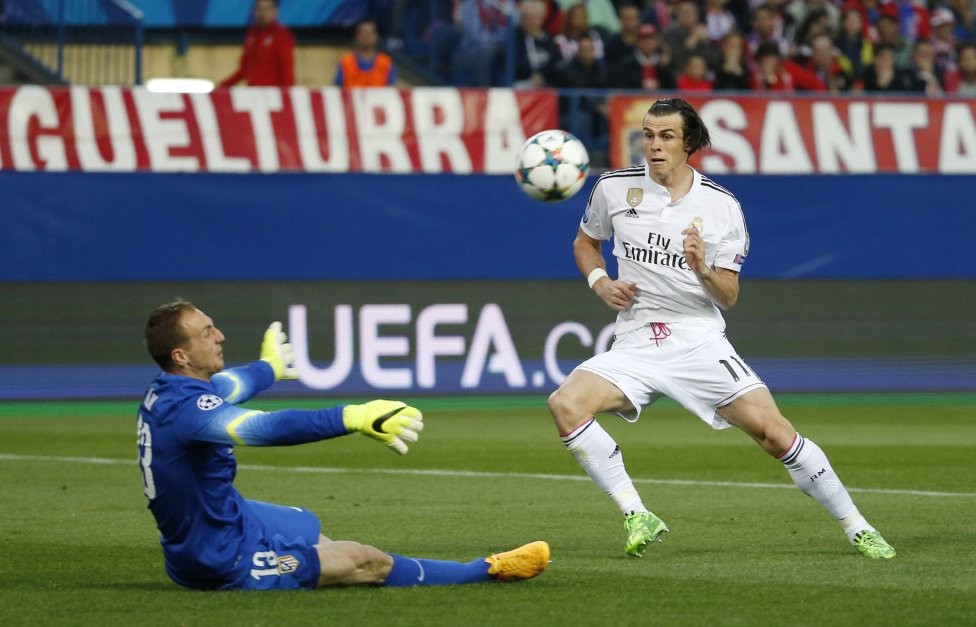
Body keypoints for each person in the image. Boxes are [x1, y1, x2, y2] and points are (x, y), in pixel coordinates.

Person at [546, 98, 896, 561]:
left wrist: (703, 268)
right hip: (636, 340)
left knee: (774, 432)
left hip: (697, 339)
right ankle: (636, 514)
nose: (654, 145)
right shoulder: (613, 188)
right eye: (648, 135)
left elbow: (728, 296)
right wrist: (601, 282)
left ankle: (857, 527)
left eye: (666, 136)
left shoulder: (721, 206)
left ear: (688, 143)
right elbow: (585, 242)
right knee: (565, 404)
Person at [138, 300, 549, 590]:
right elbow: (266, 428)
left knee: (308, 527)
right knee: (364, 560)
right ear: (181, 355)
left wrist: (270, 368)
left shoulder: (172, 392)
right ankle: (485, 570)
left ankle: (315, 561)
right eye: (206, 332)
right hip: (219, 558)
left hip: (221, 520)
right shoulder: (191, 411)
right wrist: (351, 416)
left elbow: (233, 383)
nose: (220, 336)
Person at [219, 0, 295, 88]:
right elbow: (244, 69)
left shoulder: (281, 34)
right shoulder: (252, 34)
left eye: (267, 9)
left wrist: (287, 92)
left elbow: (286, 67)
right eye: (260, 9)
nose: (263, 13)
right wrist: (222, 86)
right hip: (253, 91)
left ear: (275, 11)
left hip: (273, 92)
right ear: (254, 11)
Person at [334, 18, 397, 87]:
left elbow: (391, 90)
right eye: (363, 33)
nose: (366, 36)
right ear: (357, 36)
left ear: (376, 36)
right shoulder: (345, 63)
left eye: (370, 33)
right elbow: (336, 90)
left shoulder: (386, 63)